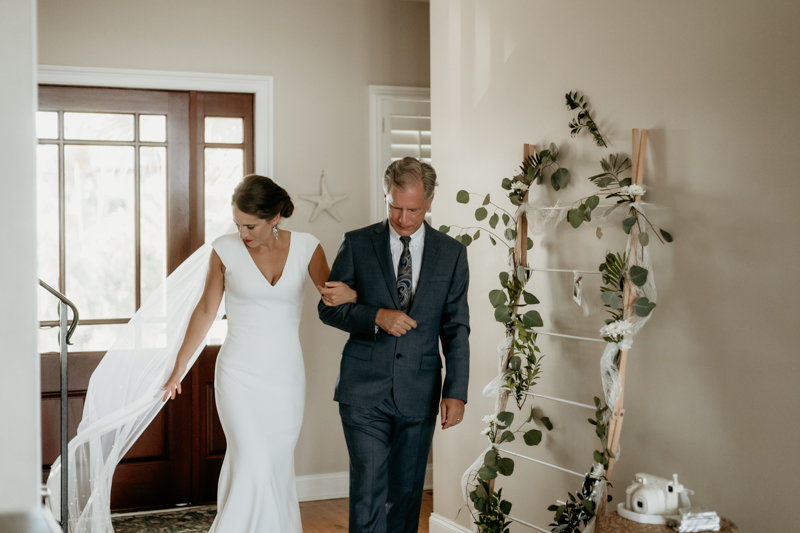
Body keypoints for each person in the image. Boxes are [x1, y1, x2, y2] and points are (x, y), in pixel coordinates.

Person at [161, 175, 356, 533]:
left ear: (275, 218)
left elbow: (332, 296)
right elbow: (206, 311)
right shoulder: (224, 249)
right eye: (238, 224)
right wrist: (179, 368)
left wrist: (354, 296)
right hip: (238, 375)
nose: (243, 233)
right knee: (252, 461)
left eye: (250, 225)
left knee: (276, 465)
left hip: (285, 377)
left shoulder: (307, 247)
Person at [318, 157, 470, 533]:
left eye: (413, 209)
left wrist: (457, 392)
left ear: (430, 200)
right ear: (385, 196)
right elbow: (329, 309)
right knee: (368, 486)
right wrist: (375, 315)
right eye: (395, 206)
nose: (403, 218)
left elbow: (456, 327)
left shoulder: (451, 253)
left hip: (419, 390)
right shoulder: (356, 243)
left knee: (405, 495)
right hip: (362, 388)